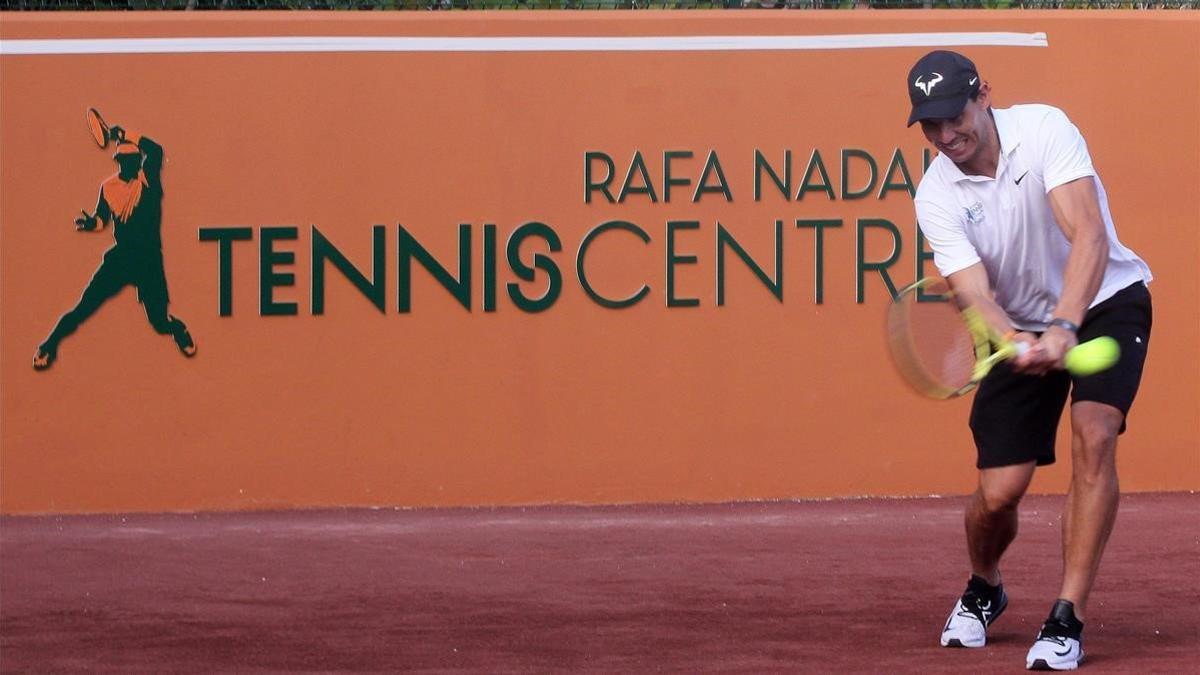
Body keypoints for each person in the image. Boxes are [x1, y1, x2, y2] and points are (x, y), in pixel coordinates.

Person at [905, 50, 1153, 671]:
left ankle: (1066, 616)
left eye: (953, 117)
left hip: (1105, 302)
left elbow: (1089, 234)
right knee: (999, 494)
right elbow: (975, 294)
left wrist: (1067, 324)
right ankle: (985, 584)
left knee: (1094, 435)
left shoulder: (1045, 129)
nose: (945, 136)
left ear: (983, 95)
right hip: (1019, 322)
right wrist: (1015, 340)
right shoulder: (935, 193)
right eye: (930, 126)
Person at [33, 126, 195, 370]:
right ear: (118, 161)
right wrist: (91, 223)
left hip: (148, 259)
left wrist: (127, 134)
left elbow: (157, 150)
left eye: (132, 159)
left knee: (160, 322)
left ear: (137, 160)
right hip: (121, 258)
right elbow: (102, 219)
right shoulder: (108, 187)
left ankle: (177, 329)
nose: (128, 164)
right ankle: (48, 347)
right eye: (123, 160)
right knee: (83, 308)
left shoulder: (148, 181)